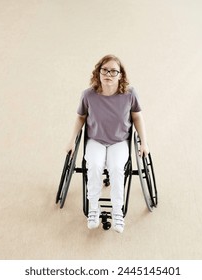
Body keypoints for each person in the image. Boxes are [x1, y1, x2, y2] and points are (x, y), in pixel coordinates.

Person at [66, 54, 149, 233]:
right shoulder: (88, 95)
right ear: (98, 72)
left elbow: (137, 117)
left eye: (113, 71)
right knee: (94, 165)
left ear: (120, 75)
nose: (108, 74)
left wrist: (144, 142)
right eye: (105, 70)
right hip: (95, 139)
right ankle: (93, 209)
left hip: (119, 141)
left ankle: (117, 211)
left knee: (117, 167)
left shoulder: (129, 94)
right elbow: (80, 117)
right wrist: (72, 140)